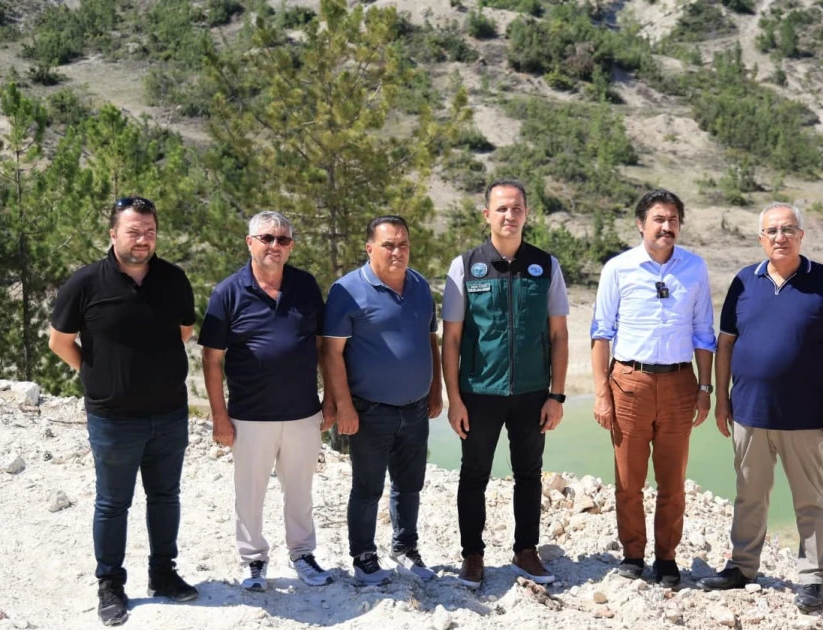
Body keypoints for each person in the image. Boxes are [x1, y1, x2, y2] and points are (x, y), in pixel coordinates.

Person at [48, 196, 198, 626]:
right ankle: (110, 584)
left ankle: (163, 573)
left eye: (149, 231)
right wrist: (94, 372)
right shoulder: (86, 283)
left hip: (169, 413)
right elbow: (60, 341)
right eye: (133, 231)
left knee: (165, 497)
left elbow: (183, 331)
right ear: (113, 234)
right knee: (113, 503)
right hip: (113, 417)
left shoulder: (173, 279)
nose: (142, 239)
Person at [699, 203, 823, 612]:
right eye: (772, 231)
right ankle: (742, 566)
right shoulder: (743, 282)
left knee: (810, 499)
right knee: (749, 494)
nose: (780, 237)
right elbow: (725, 343)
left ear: (801, 236)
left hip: (805, 414)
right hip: (748, 411)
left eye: (788, 230)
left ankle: (813, 577)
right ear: (761, 239)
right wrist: (721, 400)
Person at [441, 179, 569, 590]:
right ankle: (472, 556)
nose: (509, 215)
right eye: (501, 208)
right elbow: (452, 339)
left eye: (516, 208)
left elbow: (559, 335)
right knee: (473, 474)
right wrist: (455, 400)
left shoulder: (546, 266)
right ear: (487, 215)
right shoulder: (466, 266)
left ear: (526, 214)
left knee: (529, 474)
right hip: (479, 391)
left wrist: (556, 395)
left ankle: (525, 551)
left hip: (532, 393)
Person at [198, 211, 335, 592]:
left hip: (303, 413)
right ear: (250, 242)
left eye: (283, 239)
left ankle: (303, 554)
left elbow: (323, 347)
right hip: (249, 417)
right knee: (249, 494)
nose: (275, 245)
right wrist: (219, 417)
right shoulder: (228, 292)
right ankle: (253, 560)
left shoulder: (305, 286)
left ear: (291, 246)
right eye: (267, 238)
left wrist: (330, 401)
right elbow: (211, 358)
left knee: (300, 491)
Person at [591, 189, 716, 587]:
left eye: (673, 219)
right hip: (630, 382)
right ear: (641, 224)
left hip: (680, 383)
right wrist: (601, 393)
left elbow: (703, 332)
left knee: (672, 480)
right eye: (659, 219)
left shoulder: (694, 268)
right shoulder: (618, 269)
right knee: (629, 478)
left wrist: (705, 387)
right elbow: (601, 333)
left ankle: (666, 557)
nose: (667, 226)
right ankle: (632, 553)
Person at [323, 216, 443, 585]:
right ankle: (363, 557)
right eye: (388, 245)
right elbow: (331, 353)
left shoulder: (420, 286)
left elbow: (430, 340)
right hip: (369, 411)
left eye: (403, 244)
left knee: (410, 485)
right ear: (370, 248)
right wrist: (343, 406)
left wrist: (435, 389)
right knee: (367, 488)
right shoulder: (346, 290)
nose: (397, 251)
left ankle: (405, 547)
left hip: (415, 409)